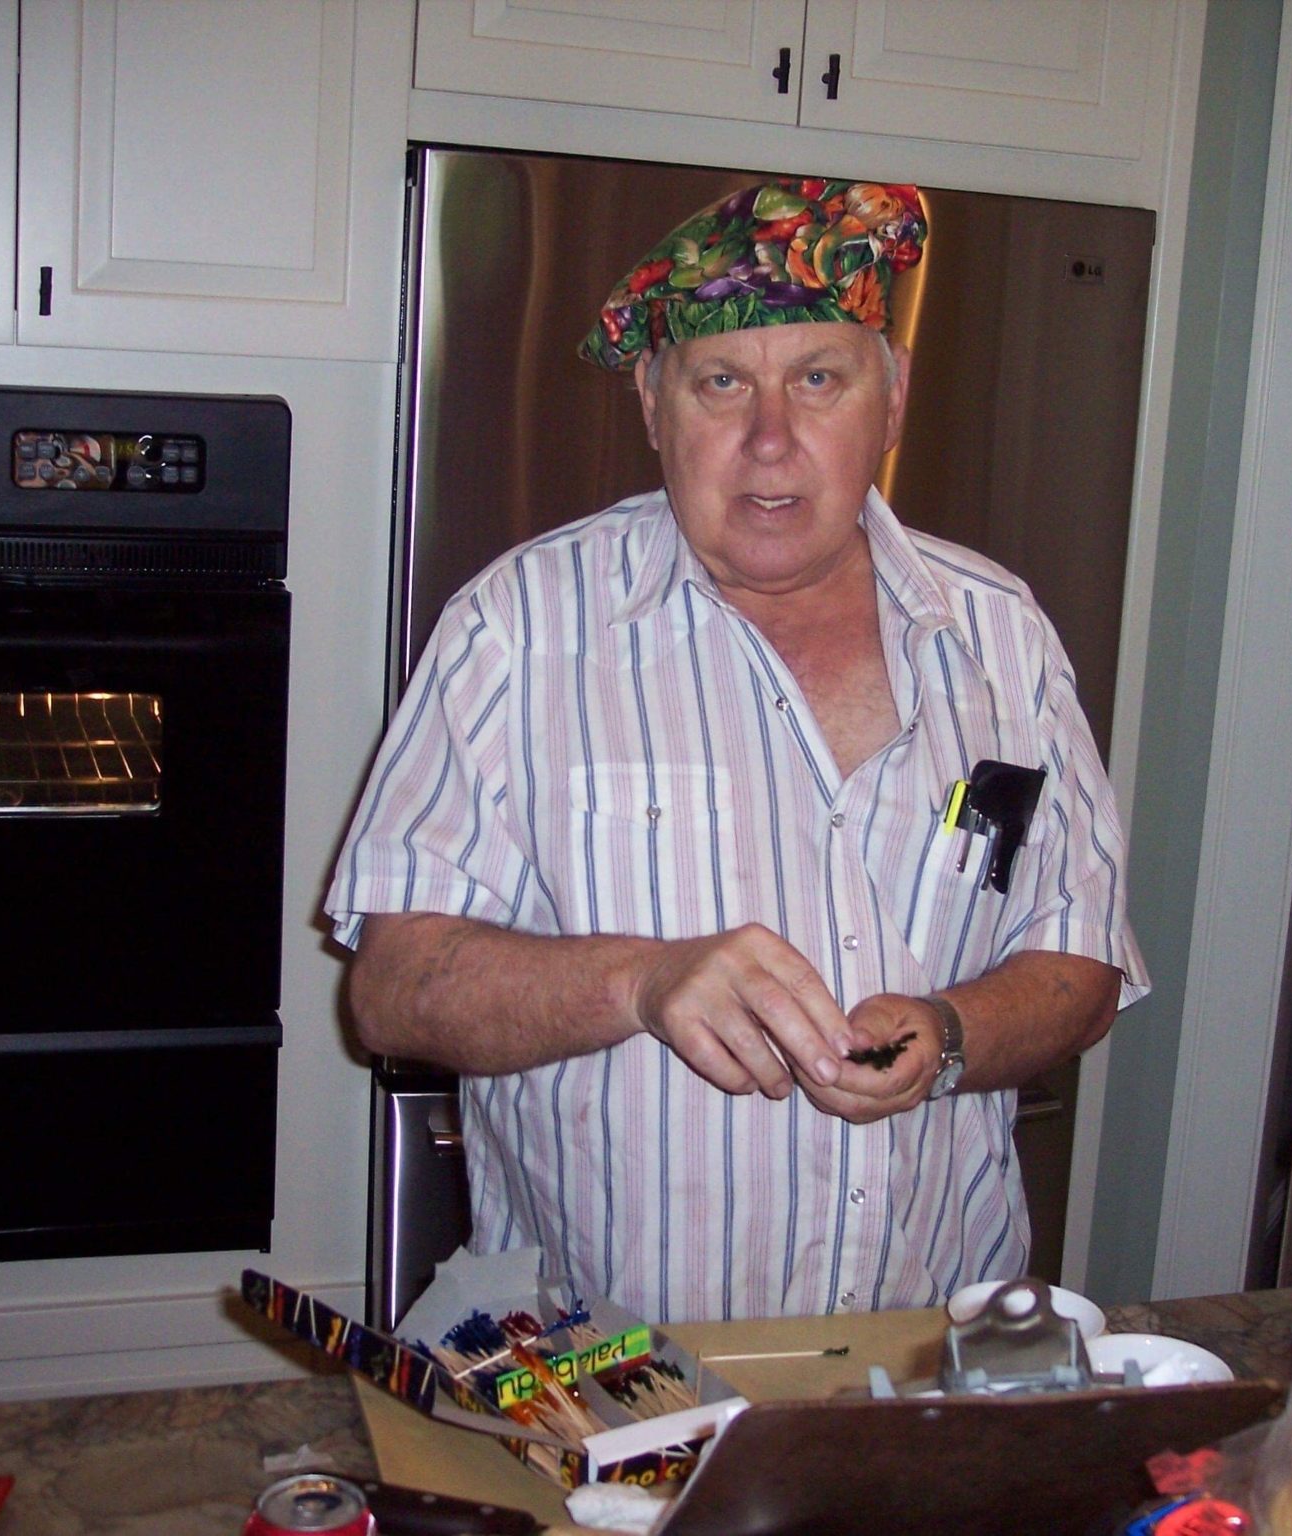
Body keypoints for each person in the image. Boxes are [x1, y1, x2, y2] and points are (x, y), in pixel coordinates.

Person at [326, 177, 1148, 1323]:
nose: (771, 438)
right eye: (722, 383)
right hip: (604, 1374)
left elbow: (1080, 965)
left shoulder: (999, 633)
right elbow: (392, 990)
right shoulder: (514, 628)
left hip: (928, 1354)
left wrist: (952, 1034)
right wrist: (641, 981)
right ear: (653, 403)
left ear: (891, 396)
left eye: (818, 378)